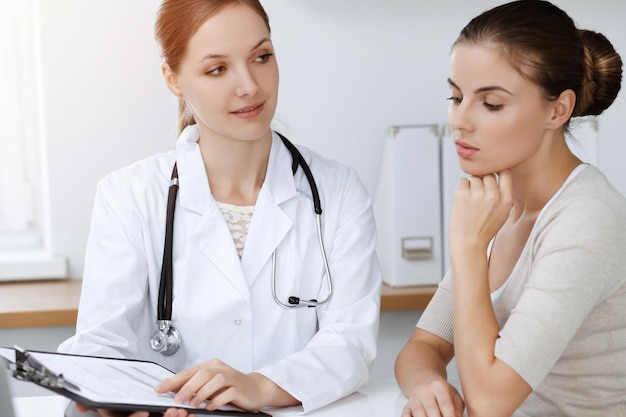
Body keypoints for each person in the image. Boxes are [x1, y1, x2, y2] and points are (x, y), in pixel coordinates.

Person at [58, 0, 381, 416]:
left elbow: (350, 344)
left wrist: (258, 387)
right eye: (217, 69)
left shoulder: (338, 192)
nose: (249, 85)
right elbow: (100, 345)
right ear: (173, 80)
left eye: (261, 57)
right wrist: (111, 404)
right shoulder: (130, 196)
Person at [395, 1, 625, 416]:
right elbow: (423, 346)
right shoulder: (498, 208)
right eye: (456, 96)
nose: (460, 121)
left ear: (558, 109)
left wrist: (467, 247)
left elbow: (489, 401)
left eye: (491, 104)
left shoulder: (587, 220)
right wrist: (429, 385)